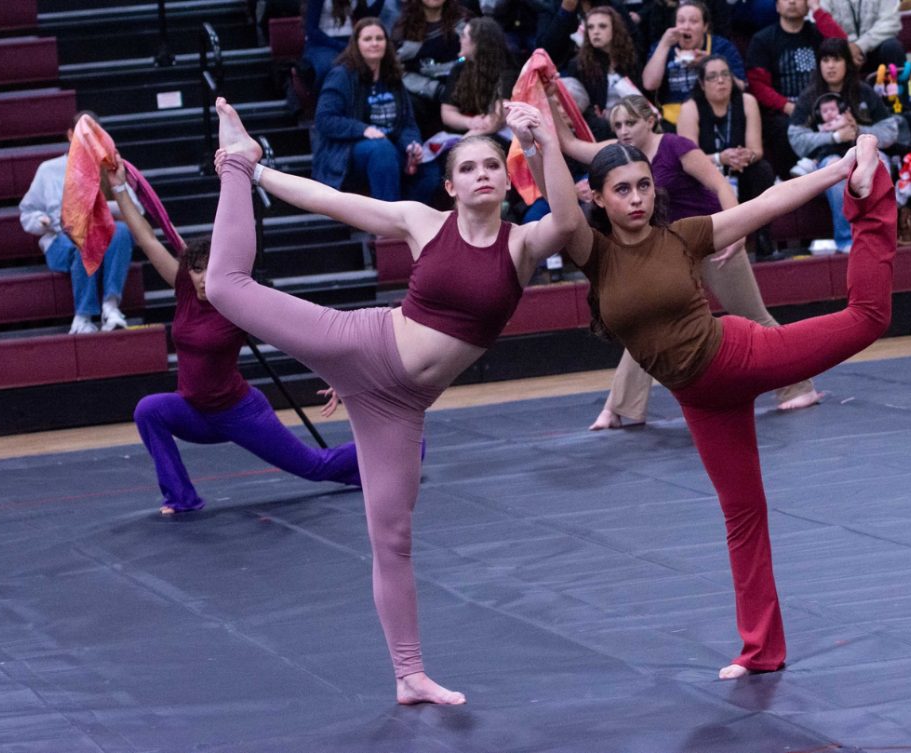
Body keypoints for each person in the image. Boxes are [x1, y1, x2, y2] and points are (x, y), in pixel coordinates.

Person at [206, 97, 581, 704]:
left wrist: (542, 144)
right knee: (224, 285)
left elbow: (566, 219)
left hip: (401, 408)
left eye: (492, 164)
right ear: (451, 186)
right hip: (361, 345)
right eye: (468, 168)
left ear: (505, 180)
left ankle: (409, 676)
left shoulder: (523, 243)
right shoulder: (421, 221)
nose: (482, 174)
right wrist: (254, 170)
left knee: (394, 537)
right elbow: (335, 203)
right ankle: (234, 164)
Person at [551, 132, 895, 678]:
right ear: (598, 198)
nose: (637, 198)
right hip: (700, 400)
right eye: (622, 190)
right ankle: (761, 651)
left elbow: (763, 205)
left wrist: (841, 171)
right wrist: (542, 136)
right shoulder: (593, 253)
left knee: (869, 318)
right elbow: (559, 208)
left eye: (644, 185)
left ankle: (871, 194)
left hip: (737, 355)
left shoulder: (682, 237)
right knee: (742, 516)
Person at [105, 158, 362, 516]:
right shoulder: (184, 290)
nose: (202, 278)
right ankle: (181, 497)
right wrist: (119, 187)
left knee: (314, 468)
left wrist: (339, 376)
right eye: (195, 270)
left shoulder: (238, 305)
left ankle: (397, 455)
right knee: (149, 410)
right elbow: (146, 237)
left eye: (210, 270)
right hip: (194, 411)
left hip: (239, 413)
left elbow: (297, 335)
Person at [554, 94, 821, 429]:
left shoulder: (676, 146)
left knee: (752, 314)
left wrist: (737, 231)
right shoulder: (620, 157)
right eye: (617, 125)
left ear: (649, 120)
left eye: (629, 123)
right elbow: (565, 143)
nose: (622, 131)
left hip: (708, 242)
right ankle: (622, 408)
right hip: (664, 252)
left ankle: (799, 386)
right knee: (644, 325)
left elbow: (718, 182)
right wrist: (550, 92)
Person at [18, 112, 137, 335]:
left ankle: (110, 306)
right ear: (71, 135)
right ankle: (82, 317)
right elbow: (28, 212)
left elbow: (136, 210)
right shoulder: (48, 170)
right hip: (60, 240)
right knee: (82, 240)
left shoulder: (108, 165)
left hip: (104, 236)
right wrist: (41, 221)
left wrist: (101, 210)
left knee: (121, 231)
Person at [312, 18, 440, 204]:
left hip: (391, 145)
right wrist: (363, 130)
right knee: (382, 151)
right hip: (348, 153)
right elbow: (325, 119)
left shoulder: (392, 76)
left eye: (379, 38)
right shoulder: (341, 75)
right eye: (368, 39)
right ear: (356, 44)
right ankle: (387, 226)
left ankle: (408, 224)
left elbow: (407, 123)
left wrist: (411, 144)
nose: (374, 43)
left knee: (429, 169)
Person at [788, 38, 897, 252]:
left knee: (881, 165)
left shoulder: (863, 91)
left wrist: (858, 132)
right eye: (825, 60)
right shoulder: (809, 97)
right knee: (839, 172)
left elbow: (890, 130)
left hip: (865, 153)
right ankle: (849, 241)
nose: (830, 65)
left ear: (847, 63)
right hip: (825, 159)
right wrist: (835, 137)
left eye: (836, 59)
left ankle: (882, 234)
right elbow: (796, 139)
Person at [678, 55, 778, 257]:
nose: (721, 81)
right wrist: (719, 158)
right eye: (713, 77)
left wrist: (743, 157)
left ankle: (763, 239)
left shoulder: (747, 101)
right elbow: (687, 159)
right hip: (707, 170)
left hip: (741, 168)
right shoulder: (690, 108)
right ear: (702, 84)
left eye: (725, 75)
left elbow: (756, 150)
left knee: (763, 170)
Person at [744, 0, 847, 177]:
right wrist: (789, 107)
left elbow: (842, 46)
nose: (792, 1)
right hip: (783, 110)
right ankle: (786, 179)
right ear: (776, 6)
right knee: (782, 126)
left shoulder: (817, 33)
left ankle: (823, 169)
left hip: (823, 106)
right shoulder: (763, 39)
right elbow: (757, 85)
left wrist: (817, 9)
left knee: (842, 117)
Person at [641, 0, 746, 125]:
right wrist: (663, 45)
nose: (686, 26)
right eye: (681, 21)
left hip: (712, 114)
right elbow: (649, 84)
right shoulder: (664, 46)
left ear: (705, 26)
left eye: (694, 21)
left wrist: (709, 64)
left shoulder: (722, 47)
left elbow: (741, 86)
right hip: (672, 118)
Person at [392, 0, 470, 134]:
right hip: (423, 98)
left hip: (463, 94)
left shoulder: (465, 23)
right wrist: (435, 90)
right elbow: (399, 71)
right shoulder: (403, 28)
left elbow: (479, 59)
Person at [439, 17, 518, 139]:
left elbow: (498, 117)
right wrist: (469, 122)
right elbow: (447, 113)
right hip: (468, 131)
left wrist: (465, 141)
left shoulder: (507, 70)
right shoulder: (459, 68)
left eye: (464, 36)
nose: (460, 40)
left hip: (497, 134)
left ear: (478, 43)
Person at [562, 6, 644, 118]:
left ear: (615, 30)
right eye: (590, 27)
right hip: (597, 125)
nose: (595, 32)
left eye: (602, 26)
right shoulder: (578, 64)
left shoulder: (630, 58)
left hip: (632, 118)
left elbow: (641, 96)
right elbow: (576, 104)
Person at [302, 0, 383, 90]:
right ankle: (326, 98)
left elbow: (366, 16)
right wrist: (340, 45)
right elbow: (311, 29)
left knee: (375, 62)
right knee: (330, 68)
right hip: (321, 44)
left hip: (348, 42)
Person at [818, 0, 905, 72]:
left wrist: (860, 46)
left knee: (892, 46)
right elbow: (821, 22)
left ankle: (899, 91)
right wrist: (846, 50)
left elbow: (891, 22)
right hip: (840, 50)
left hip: (874, 47)